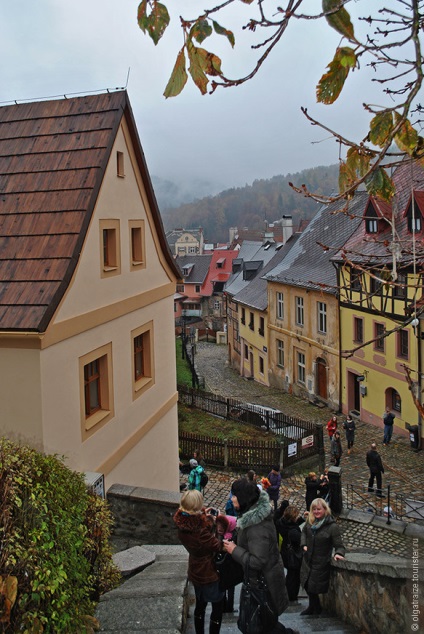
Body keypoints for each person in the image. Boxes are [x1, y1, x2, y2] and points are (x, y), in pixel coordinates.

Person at [222, 478, 298, 634]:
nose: (231, 498)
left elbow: (258, 561)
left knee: (261, 625)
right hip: (258, 583)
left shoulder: (257, 526)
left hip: (263, 586)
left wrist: (234, 549)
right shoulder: (251, 516)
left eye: (234, 495)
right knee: (264, 624)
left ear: (243, 498)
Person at [174, 490, 224, 634]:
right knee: (217, 606)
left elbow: (194, 521)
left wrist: (203, 514)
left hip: (195, 569)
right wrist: (213, 523)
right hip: (208, 572)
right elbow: (217, 545)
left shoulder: (182, 524)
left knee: (200, 605)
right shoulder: (200, 531)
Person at [300, 497, 345, 616]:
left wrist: (338, 554)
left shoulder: (332, 526)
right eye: (314, 509)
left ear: (325, 509)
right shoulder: (310, 522)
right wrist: (303, 544)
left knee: (312, 587)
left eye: (318, 509)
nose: (316, 512)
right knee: (306, 584)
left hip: (321, 561)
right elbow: (304, 532)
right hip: (308, 560)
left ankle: (317, 608)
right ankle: (312, 607)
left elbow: (339, 545)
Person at [276, 505, 303, 603]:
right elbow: (299, 540)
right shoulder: (293, 531)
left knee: (290, 576)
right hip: (293, 555)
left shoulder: (281, 523)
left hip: (284, 552)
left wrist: (302, 519)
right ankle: (292, 596)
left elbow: (291, 524)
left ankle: (287, 594)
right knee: (294, 577)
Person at [216, 514, 238, 613]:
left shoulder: (220, 534)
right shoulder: (234, 534)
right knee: (230, 587)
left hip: (222, 563)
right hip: (230, 563)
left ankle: (224, 607)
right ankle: (229, 607)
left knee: (224, 586)